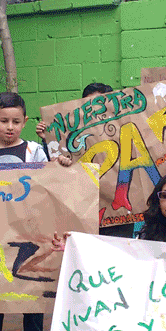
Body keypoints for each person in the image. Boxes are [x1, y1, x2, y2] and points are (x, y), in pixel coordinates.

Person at [0, 92, 68, 331]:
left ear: (25, 121)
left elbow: (50, 180)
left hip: (30, 231)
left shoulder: (34, 152)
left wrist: (60, 163)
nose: (10, 127)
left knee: (31, 287)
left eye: (16, 121)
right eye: (4, 121)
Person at [35, 81, 136, 239]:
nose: (95, 111)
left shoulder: (127, 129)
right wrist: (48, 140)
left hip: (119, 217)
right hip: (84, 214)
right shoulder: (70, 137)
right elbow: (54, 172)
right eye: (88, 105)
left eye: (100, 105)